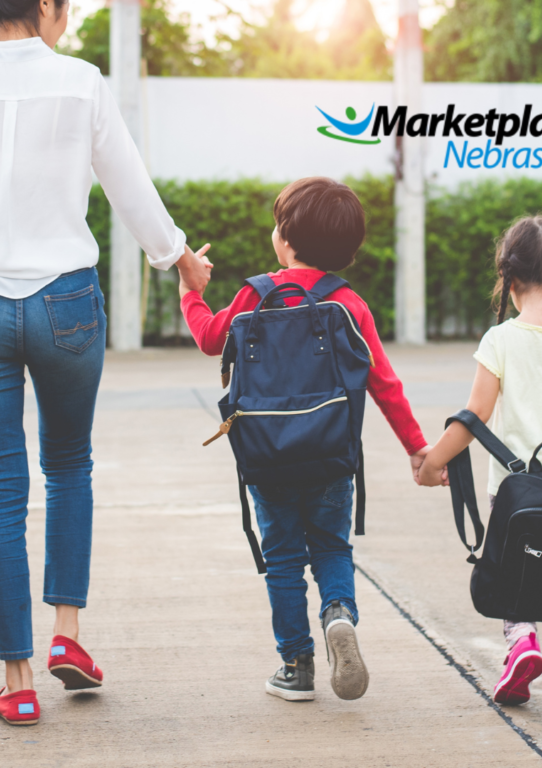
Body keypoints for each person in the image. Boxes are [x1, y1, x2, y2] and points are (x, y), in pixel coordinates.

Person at [0, 0, 211, 726]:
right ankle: (67, 636)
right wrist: (179, 260)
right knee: (69, 465)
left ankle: (16, 683)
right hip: (67, 305)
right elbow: (129, 187)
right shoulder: (82, 82)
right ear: (45, 7)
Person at [179, 177, 429, 701]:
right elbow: (384, 383)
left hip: (266, 457)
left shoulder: (255, 294)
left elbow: (209, 340)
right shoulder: (349, 304)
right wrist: (416, 446)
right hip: (332, 455)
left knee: (285, 559)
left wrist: (190, 293)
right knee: (333, 548)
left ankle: (297, 666)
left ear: (285, 240)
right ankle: (338, 615)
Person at [419, 214, 542, 704]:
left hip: (512, 489)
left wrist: (432, 462)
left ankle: (521, 643)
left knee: (518, 563)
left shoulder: (501, 340)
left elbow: (475, 416)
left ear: (509, 281)